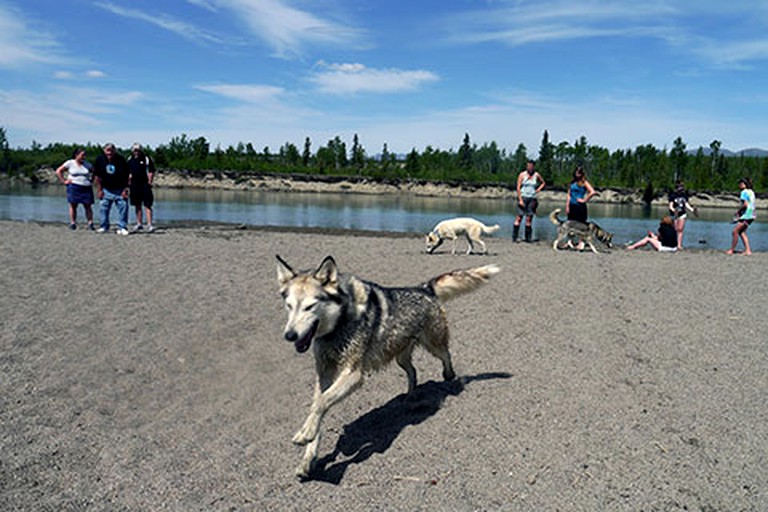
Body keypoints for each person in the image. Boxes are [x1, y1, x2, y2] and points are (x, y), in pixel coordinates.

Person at [93, 142, 131, 235]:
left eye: (111, 150)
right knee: (103, 209)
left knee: (123, 208)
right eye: (107, 150)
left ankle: (122, 227)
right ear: (104, 151)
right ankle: (104, 226)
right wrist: (99, 190)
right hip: (106, 189)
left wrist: (126, 189)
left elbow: (127, 175)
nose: (109, 153)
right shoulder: (100, 160)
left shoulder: (121, 159)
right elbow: (97, 176)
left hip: (120, 189)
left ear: (114, 151)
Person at [55, 148, 95, 231]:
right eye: (82, 155)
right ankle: (73, 223)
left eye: (84, 155)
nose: (84, 157)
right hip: (74, 186)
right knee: (73, 205)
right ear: (76, 155)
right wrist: (64, 181)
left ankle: (90, 223)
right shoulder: (70, 163)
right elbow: (58, 171)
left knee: (88, 206)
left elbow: (95, 171)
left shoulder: (87, 164)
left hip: (86, 186)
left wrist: (92, 180)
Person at [513, 160, 546, 242]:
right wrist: (520, 199)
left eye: (531, 166)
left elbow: (543, 183)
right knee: (519, 217)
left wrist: (537, 190)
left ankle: (528, 238)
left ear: (533, 166)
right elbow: (518, 187)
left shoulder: (536, 175)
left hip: (532, 198)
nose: (529, 167)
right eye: (528, 166)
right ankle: (515, 236)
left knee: (529, 218)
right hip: (523, 196)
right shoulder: (522, 175)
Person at [127, 142, 156, 232]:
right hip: (134, 185)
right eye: (135, 150)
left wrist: (150, 181)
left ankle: (149, 224)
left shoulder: (146, 159)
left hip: (145, 184)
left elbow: (151, 171)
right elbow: (128, 171)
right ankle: (139, 223)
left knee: (147, 205)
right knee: (137, 205)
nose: (136, 152)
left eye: (138, 150)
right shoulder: (130, 159)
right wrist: (128, 182)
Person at [726, 177, 756, 255]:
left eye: (741, 184)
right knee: (741, 232)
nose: (739, 185)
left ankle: (732, 250)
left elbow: (745, 204)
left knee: (735, 231)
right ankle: (748, 250)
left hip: (747, 215)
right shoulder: (751, 192)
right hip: (752, 215)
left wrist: (738, 212)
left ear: (745, 184)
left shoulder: (744, 192)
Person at [668, 180, 696, 250]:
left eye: (682, 187)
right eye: (680, 187)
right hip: (675, 214)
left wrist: (692, 210)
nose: (681, 188)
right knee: (675, 229)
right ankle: (673, 244)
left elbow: (686, 204)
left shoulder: (684, 195)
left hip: (682, 213)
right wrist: (674, 210)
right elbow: (670, 206)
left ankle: (679, 245)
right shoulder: (673, 195)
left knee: (680, 229)